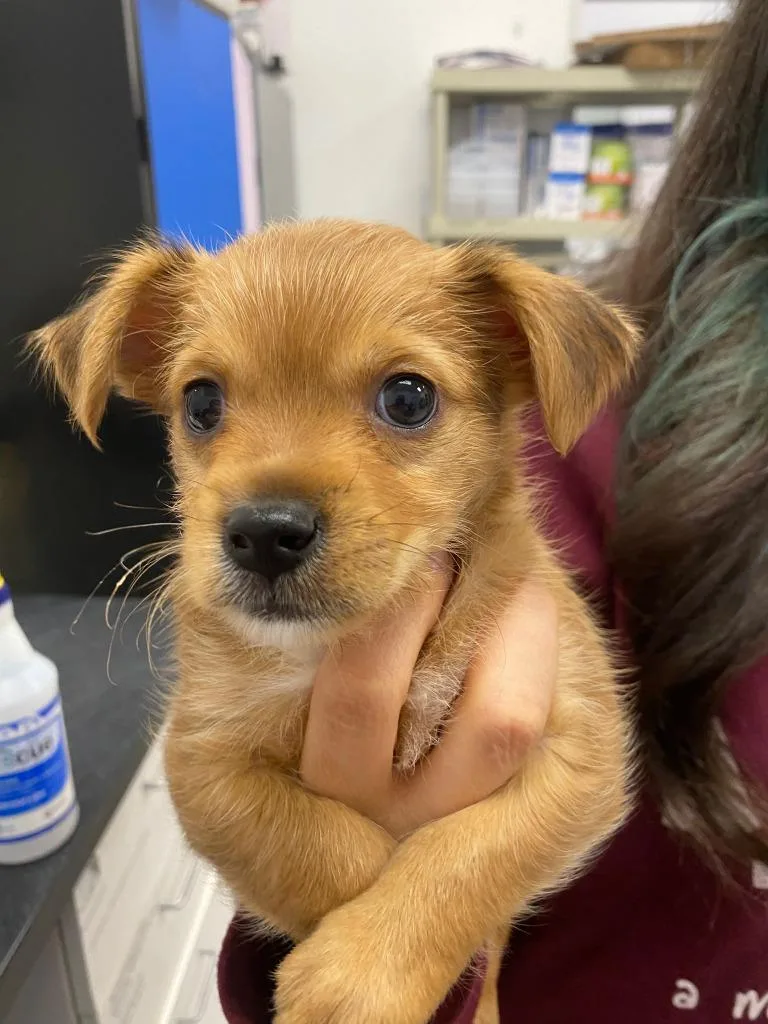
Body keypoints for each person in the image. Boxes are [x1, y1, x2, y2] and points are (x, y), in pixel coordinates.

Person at [218, 1, 768, 1019]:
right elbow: (219, 779)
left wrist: (410, 917)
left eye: (403, 398)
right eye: (208, 404)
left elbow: (582, 768)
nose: (268, 491)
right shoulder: (586, 471)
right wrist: (385, 916)